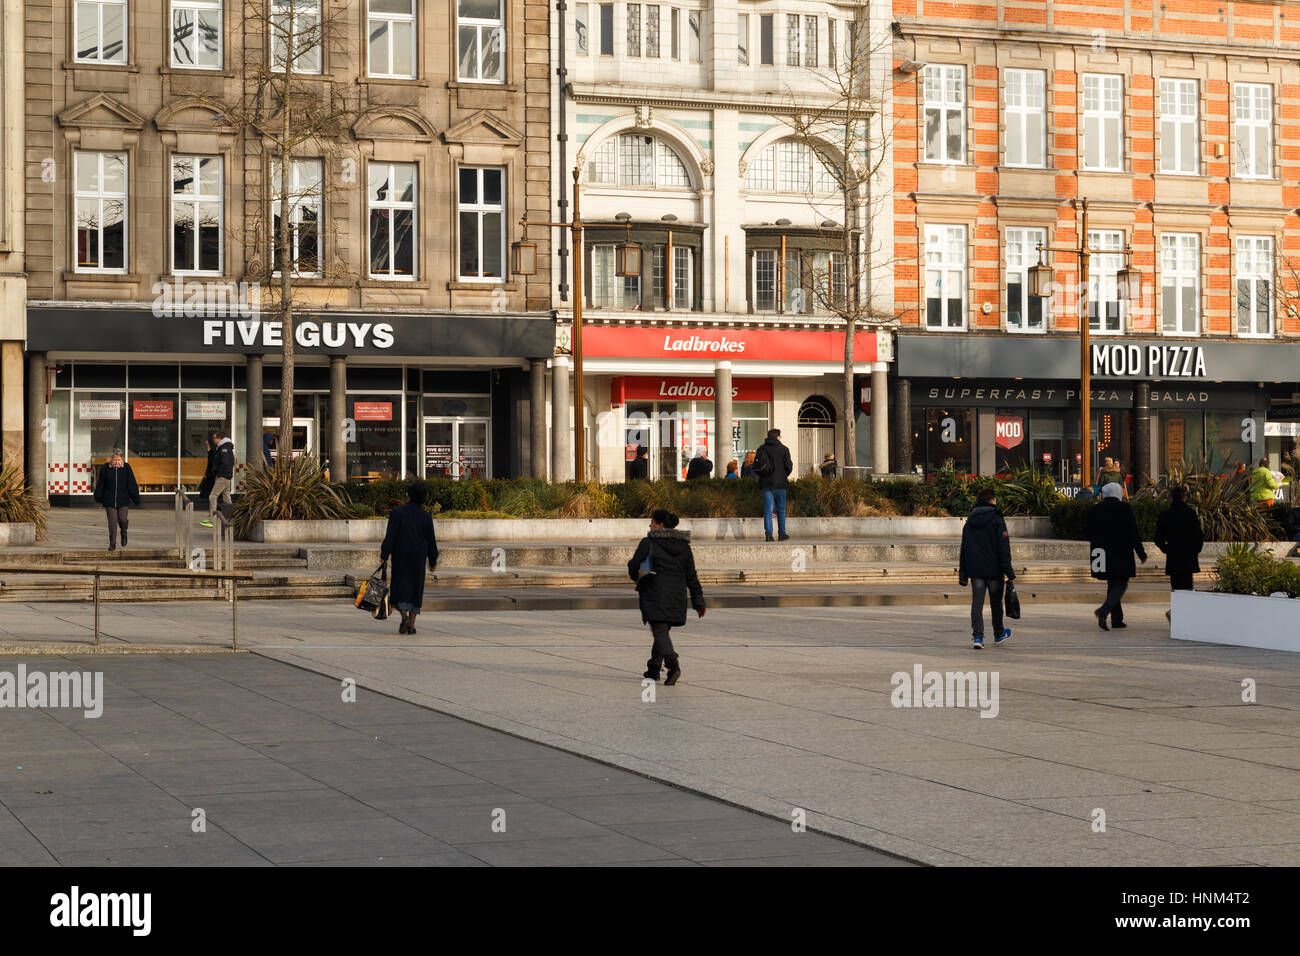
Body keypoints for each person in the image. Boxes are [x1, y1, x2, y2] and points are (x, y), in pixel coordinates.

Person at [626, 509, 706, 686]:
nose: (650, 525)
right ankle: (654, 668)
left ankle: (673, 665)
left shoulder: (649, 542)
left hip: (655, 593)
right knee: (662, 632)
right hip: (677, 596)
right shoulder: (684, 546)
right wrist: (698, 601)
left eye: (652, 521)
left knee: (660, 632)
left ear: (660, 525)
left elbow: (634, 565)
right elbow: (691, 575)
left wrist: (637, 578)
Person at [958, 487, 1015, 650]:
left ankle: (977, 636)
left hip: (976, 571)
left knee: (977, 603)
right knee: (996, 603)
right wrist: (1009, 572)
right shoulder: (997, 520)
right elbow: (1004, 548)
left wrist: (963, 574)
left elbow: (964, 549)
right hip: (995, 570)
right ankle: (998, 634)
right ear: (992, 500)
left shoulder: (970, 522)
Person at [1085, 482, 1147, 631]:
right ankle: (1103, 610)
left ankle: (1117, 619)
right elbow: (1133, 532)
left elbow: (1087, 532)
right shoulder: (1124, 508)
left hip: (1101, 553)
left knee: (1112, 584)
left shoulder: (1094, 509)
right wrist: (1141, 552)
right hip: (1121, 552)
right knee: (1121, 583)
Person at [380, 481, 439, 635]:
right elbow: (431, 540)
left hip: (401, 555)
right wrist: (433, 560)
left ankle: (404, 616)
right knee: (416, 589)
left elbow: (390, 536)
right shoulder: (426, 516)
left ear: (409, 496)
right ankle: (412, 625)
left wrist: (384, 554)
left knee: (400, 587)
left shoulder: (397, 512)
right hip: (419, 557)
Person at [1154, 485, 1203, 622]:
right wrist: (1195, 551)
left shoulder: (1165, 514)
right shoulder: (1190, 513)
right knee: (1187, 588)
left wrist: (1166, 549)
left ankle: (1176, 615)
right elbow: (1198, 536)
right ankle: (1180, 617)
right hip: (1188, 556)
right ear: (1185, 498)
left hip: (1173, 556)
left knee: (1176, 587)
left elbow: (1158, 538)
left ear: (1171, 499)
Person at [92, 449, 140, 551]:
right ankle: (112, 543)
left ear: (121, 459)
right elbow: (101, 483)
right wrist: (98, 497)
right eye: (115, 460)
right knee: (112, 522)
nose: (117, 462)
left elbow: (132, 483)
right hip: (109, 500)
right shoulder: (105, 468)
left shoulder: (126, 468)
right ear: (111, 459)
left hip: (123, 500)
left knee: (122, 519)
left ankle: (124, 532)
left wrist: (136, 498)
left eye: (119, 460)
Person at [754, 428, 794, 541]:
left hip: (766, 484)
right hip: (780, 484)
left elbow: (756, 466)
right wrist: (783, 475)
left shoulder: (761, 448)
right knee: (781, 509)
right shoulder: (784, 449)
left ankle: (769, 535)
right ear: (777, 437)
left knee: (768, 510)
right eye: (780, 436)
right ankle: (782, 534)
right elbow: (789, 467)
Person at [199, 430, 236, 528]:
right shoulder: (223, 447)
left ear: (219, 438)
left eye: (214, 438)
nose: (213, 440)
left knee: (212, 496)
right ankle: (232, 518)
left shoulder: (224, 448)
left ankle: (212, 520)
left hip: (223, 476)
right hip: (225, 475)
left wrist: (220, 473)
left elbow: (225, 463)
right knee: (226, 497)